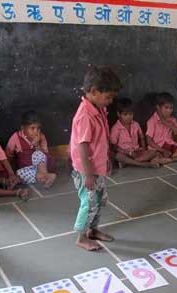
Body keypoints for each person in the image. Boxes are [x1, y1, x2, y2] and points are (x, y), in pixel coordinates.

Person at [70, 66, 122, 251]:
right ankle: (81, 237)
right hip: (87, 170)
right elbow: (82, 146)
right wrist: (88, 175)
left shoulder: (97, 108)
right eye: (108, 97)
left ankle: (93, 230)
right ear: (93, 92)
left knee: (99, 200)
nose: (110, 101)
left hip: (96, 167)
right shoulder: (85, 115)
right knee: (88, 202)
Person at [6, 111, 56, 188]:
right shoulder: (15, 137)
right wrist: (9, 173)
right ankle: (46, 177)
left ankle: (44, 175)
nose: (36, 131)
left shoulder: (41, 137)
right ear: (23, 128)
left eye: (38, 128)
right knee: (19, 173)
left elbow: (45, 156)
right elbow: (8, 156)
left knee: (38, 154)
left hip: (43, 166)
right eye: (32, 128)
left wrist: (37, 145)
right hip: (28, 169)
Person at [110, 98, 159, 168]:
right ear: (119, 114)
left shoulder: (136, 124)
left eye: (131, 114)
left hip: (136, 151)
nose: (128, 117)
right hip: (125, 153)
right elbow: (114, 147)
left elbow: (141, 137)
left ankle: (130, 162)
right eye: (125, 114)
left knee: (153, 152)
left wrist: (143, 149)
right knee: (118, 156)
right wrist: (129, 153)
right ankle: (143, 164)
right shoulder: (116, 128)